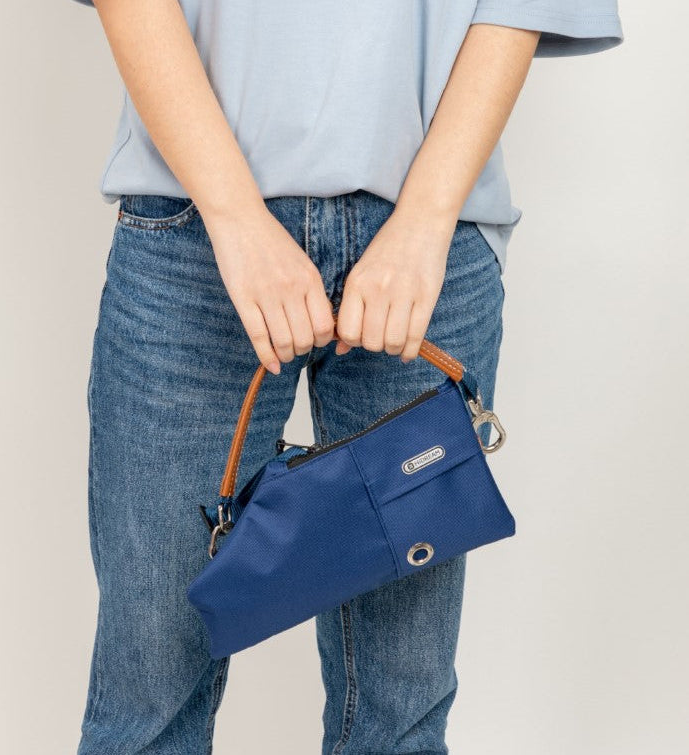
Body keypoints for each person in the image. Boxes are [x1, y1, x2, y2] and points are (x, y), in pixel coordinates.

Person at [69, 1, 623, 753]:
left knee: (402, 702)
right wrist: (234, 215)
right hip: (192, 228)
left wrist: (425, 222)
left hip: (430, 238)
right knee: (150, 694)